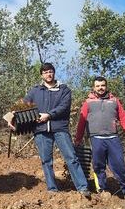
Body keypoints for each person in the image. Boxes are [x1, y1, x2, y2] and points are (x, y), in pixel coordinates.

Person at [22, 62, 91, 197]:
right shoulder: (35, 91)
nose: (48, 74)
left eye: (50, 71)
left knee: (71, 157)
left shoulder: (64, 90)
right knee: (46, 160)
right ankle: (52, 188)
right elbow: (23, 107)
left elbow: (64, 107)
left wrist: (49, 115)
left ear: (54, 73)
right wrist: (12, 118)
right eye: (45, 72)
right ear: (42, 75)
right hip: (41, 130)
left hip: (60, 128)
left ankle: (82, 187)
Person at [74, 76, 125, 200]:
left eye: (103, 85)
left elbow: (123, 118)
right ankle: (102, 189)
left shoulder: (114, 101)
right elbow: (82, 122)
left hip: (113, 137)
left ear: (106, 86)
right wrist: (78, 138)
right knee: (98, 165)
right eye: (98, 86)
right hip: (96, 138)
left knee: (119, 165)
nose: (100, 88)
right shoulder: (88, 103)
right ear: (93, 88)